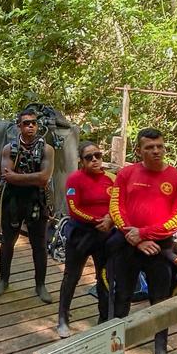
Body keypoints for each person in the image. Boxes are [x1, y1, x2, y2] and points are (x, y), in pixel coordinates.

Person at [109, 129, 177, 354]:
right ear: (138, 150)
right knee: (122, 296)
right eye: (149, 147)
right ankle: (115, 347)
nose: (156, 151)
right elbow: (116, 207)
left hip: (160, 247)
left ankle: (160, 348)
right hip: (128, 244)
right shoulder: (126, 174)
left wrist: (144, 234)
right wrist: (134, 237)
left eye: (159, 146)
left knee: (160, 299)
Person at [0, 106, 55, 304]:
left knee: (39, 245)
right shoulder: (9, 149)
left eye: (33, 123)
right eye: (26, 123)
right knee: (7, 241)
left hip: (36, 200)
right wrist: (32, 178)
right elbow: (7, 176)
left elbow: (44, 178)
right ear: (19, 126)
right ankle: (3, 280)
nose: (30, 126)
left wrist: (18, 177)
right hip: (13, 200)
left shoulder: (47, 150)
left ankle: (40, 284)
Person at [57, 141, 116, 338]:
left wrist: (110, 219)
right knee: (72, 276)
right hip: (81, 234)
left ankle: (104, 317)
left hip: (105, 234)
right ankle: (63, 318)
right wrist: (97, 220)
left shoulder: (111, 179)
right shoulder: (75, 179)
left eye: (98, 155)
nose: (94, 160)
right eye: (89, 157)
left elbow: (118, 203)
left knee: (104, 276)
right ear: (81, 161)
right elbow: (74, 208)